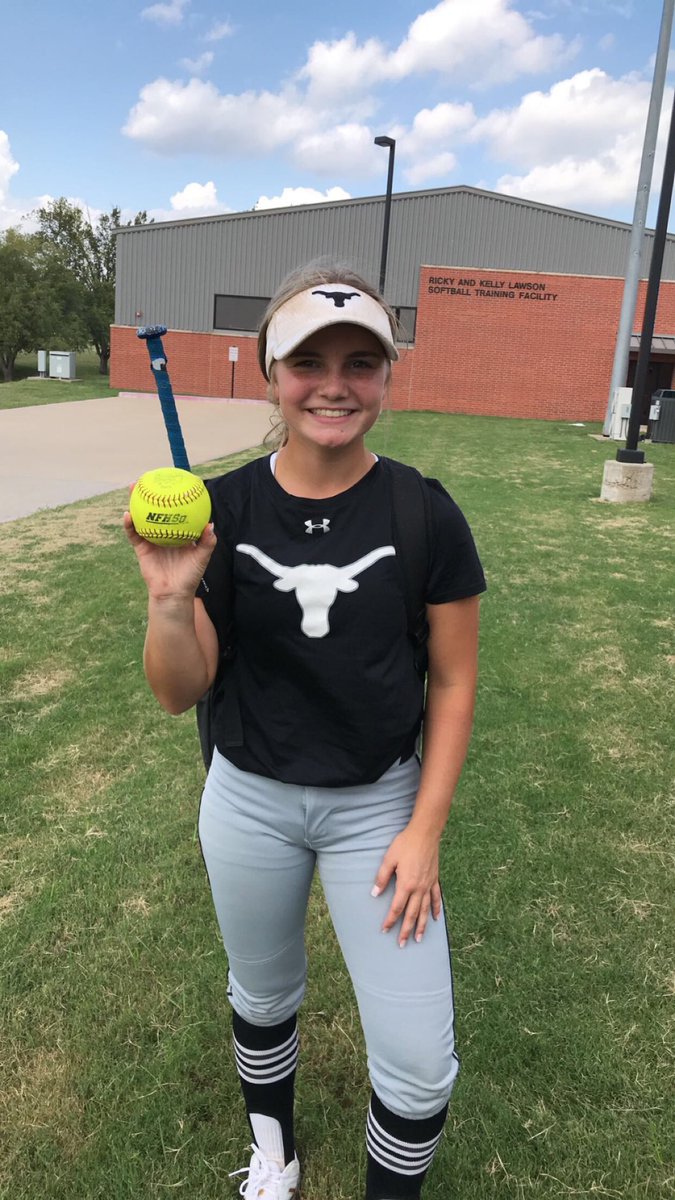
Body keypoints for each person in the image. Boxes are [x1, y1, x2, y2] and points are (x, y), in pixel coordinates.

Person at [125, 262, 486, 1200]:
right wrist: (172, 600)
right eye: (308, 360)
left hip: (378, 808)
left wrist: (425, 828)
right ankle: (274, 1155)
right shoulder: (226, 511)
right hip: (248, 801)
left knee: (417, 1063)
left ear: (387, 375)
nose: (333, 383)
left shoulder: (423, 512)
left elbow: (451, 679)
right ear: (267, 370)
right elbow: (180, 691)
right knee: (264, 994)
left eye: (359, 361)